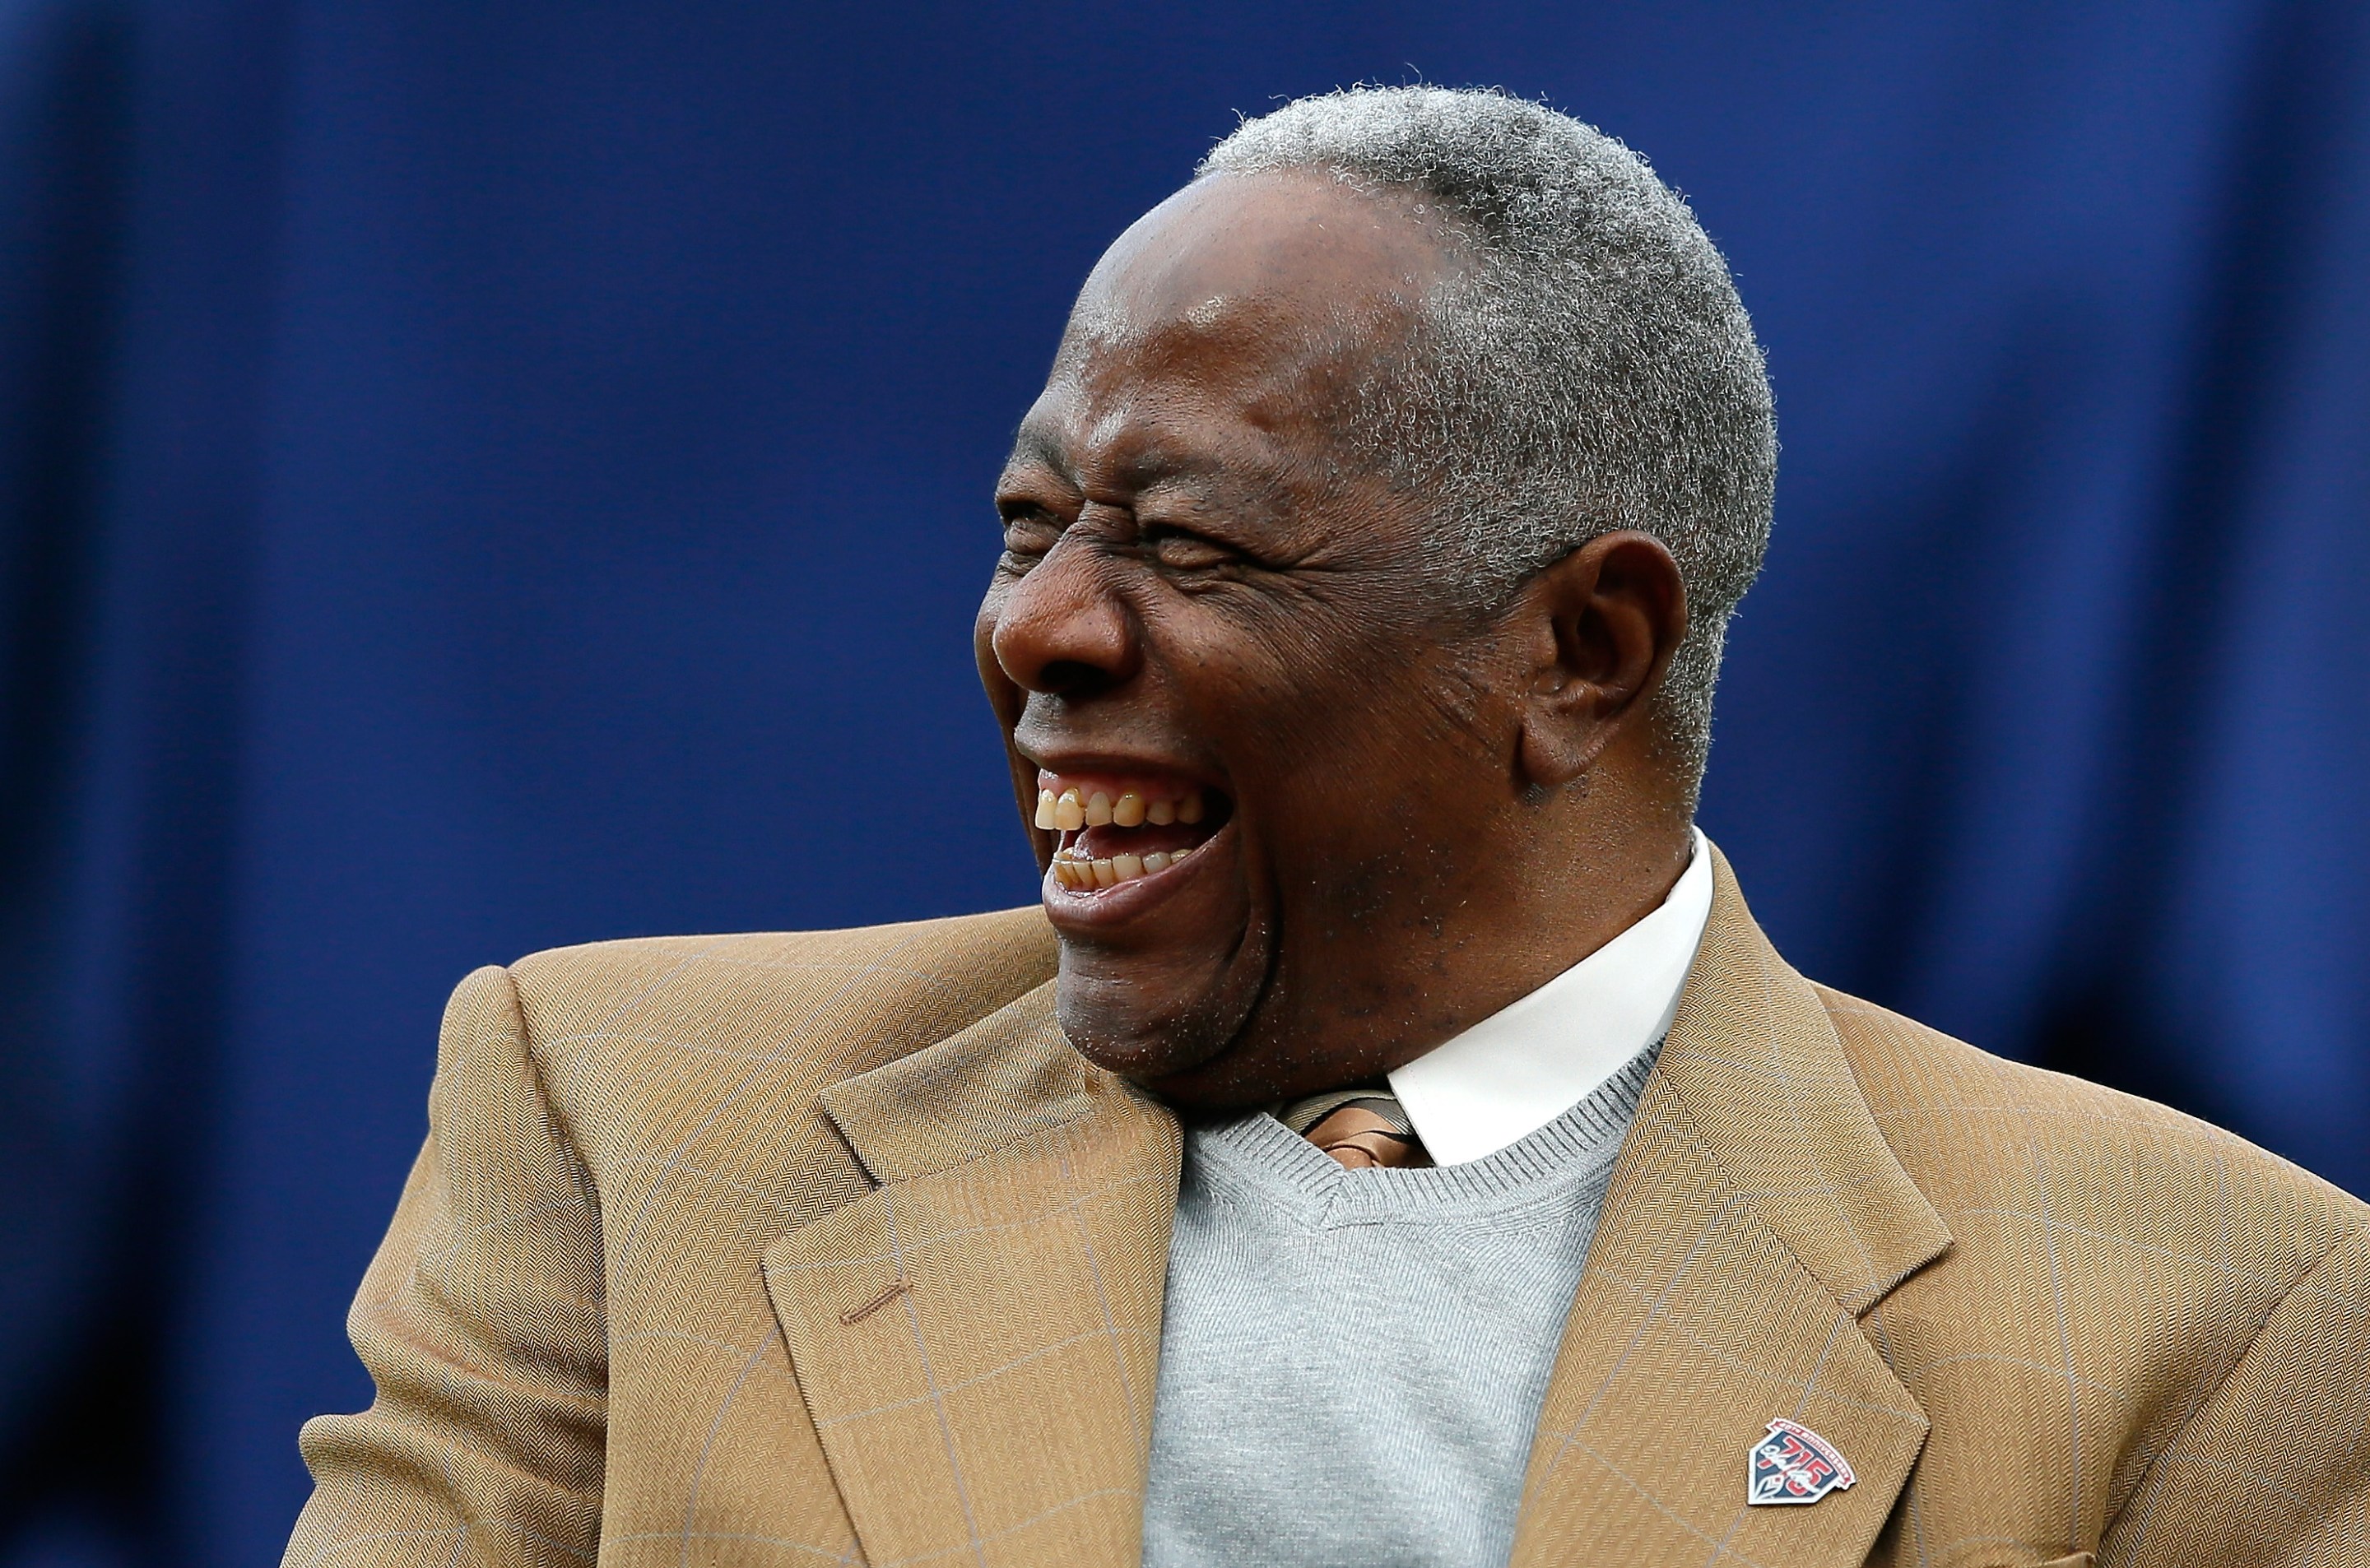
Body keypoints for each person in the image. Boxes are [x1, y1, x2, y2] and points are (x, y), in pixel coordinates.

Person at [282, 87, 2369, 1568]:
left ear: (1581, 646)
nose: (1035, 627)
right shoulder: (621, 1117)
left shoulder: (2211, 1312)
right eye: (1029, 524)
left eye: (1186, 540)